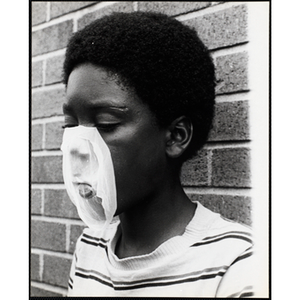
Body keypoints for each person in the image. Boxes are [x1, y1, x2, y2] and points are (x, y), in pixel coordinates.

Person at [61, 11, 254, 297]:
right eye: (71, 125)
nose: (77, 146)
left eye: (106, 124)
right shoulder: (89, 247)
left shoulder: (238, 265)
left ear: (176, 136)